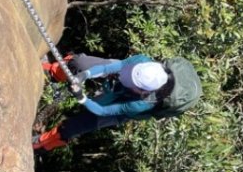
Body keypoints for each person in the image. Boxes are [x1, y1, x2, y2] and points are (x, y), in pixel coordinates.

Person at [32, 52, 201, 151]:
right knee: (80, 63)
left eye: (132, 82)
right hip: (127, 75)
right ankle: (52, 71)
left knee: (79, 124)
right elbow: (108, 68)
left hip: (123, 104)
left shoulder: (141, 104)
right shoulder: (141, 62)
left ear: (143, 91)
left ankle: (40, 143)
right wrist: (85, 74)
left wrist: (81, 97)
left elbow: (103, 111)